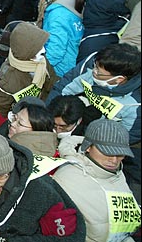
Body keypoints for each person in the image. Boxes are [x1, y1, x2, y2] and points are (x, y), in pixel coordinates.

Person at [45, 43, 141, 202]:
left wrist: (84, 147)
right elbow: (63, 87)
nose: (93, 72)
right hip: (84, 120)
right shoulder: (95, 61)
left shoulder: (135, 106)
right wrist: (51, 118)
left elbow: (122, 141)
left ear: (119, 79)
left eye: (99, 72)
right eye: (95, 67)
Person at [53, 119, 141, 242]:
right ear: (88, 147)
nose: (114, 160)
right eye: (107, 152)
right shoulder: (66, 178)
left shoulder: (117, 173)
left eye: (121, 154)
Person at [0, 22, 59, 117]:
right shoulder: (7, 81)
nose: (43, 50)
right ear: (26, 52)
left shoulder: (40, 60)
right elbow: (1, 112)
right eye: (38, 48)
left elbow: (52, 82)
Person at [42, 0, 84, 77]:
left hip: (59, 72)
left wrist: (40, 70)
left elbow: (55, 50)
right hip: (73, 67)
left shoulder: (58, 14)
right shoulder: (76, 6)